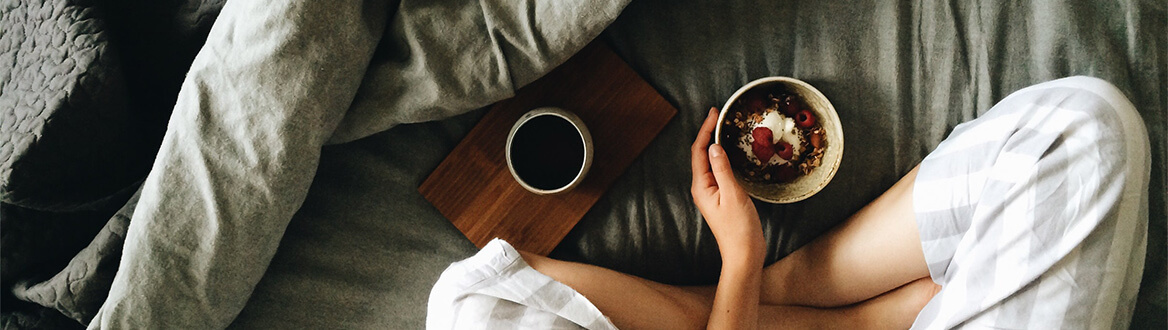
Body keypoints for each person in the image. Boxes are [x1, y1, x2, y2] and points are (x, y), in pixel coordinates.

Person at [428, 76, 1150, 329]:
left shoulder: (474, 309)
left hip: (805, 307)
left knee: (1079, 132)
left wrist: (868, 314)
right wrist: (741, 258)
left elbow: (685, 321)